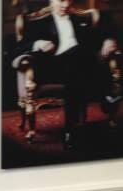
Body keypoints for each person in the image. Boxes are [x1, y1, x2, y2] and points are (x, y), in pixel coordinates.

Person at [14, 0, 119, 148]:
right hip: (53, 67)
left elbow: (101, 34)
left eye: (69, 0)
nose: (66, 5)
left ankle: (70, 130)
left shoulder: (79, 20)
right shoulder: (38, 22)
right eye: (61, 0)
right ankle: (107, 94)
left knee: (76, 70)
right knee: (78, 52)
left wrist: (109, 41)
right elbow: (17, 50)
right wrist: (37, 44)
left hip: (77, 68)